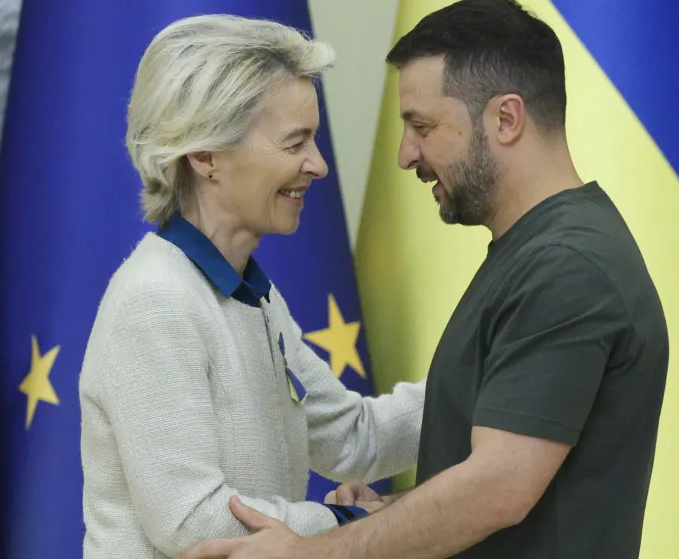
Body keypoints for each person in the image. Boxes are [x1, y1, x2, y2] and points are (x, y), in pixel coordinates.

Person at [179, 1, 670, 558]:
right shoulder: (534, 254)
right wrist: (379, 516)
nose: (405, 153)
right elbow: (502, 482)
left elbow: (496, 491)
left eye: (422, 126)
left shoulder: (566, 266)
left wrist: (307, 553)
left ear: (505, 119)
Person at [78, 14, 425, 559]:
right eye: (296, 143)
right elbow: (196, 521)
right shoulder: (156, 300)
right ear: (205, 155)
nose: (318, 165)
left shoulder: (251, 297)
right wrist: (350, 520)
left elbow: (355, 437)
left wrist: (489, 377)